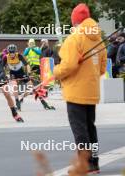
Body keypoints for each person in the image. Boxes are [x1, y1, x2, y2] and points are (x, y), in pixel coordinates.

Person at [53, 3, 107, 174]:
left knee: (80, 129)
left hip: (75, 91)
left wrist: (56, 72)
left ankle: (84, 164)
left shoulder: (74, 39)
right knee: (90, 127)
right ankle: (94, 163)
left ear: (75, 22)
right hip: (91, 91)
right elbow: (103, 68)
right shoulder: (98, 39)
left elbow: (68, 66)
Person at [2, 44, 29, 111]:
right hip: (13, 73)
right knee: (14, 85)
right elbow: (1, 67)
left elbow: (27, 65)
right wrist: (4, 75)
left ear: (15, 52)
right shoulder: (5, 57)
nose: (12, 54)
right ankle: (17, 101)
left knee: (30, 88)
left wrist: (29, 73)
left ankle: (21, 98)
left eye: (13, 52)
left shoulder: (19, 56)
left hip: (21, 72)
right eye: (10, 52)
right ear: (8, 52)